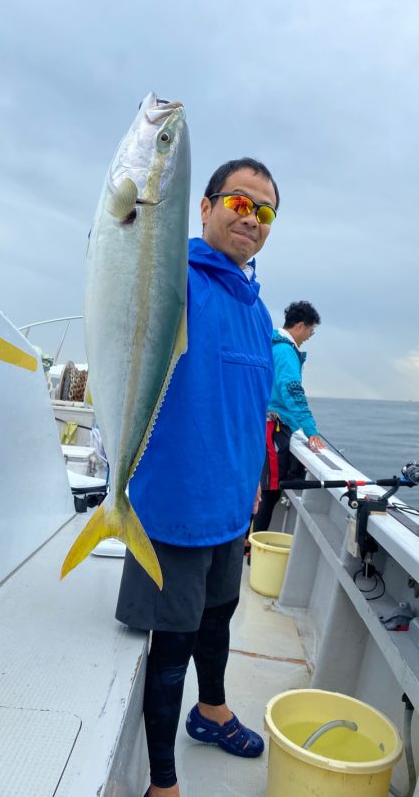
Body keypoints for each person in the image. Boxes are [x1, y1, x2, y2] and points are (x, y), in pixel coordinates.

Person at [115, 158, 279, 797]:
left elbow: (250, 407)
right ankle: (162, 782)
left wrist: (254, 488)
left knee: (220, 617)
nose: (252, 219)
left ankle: (210, 712)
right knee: (173, 644)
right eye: (241, 203)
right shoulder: (171, 278)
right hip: (176, 508)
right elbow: (122, 245)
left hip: (232, 509)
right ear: (205, 206)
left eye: (264, 212)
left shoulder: (257, 308)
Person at [253, 300, 325, 532]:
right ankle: (252, 545)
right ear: (301, 326)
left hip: (264, 426)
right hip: (272, 428)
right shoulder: (285, 351)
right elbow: (292, 391)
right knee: (271, 490)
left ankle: (248, 540)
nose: (309, 336)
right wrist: (311, 429)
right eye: (310, 331)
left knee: (263, 488)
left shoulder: (273, 345)